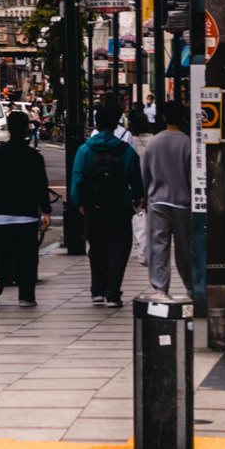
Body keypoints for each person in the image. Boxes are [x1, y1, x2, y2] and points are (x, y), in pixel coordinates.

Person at [71, 99, 144, 308]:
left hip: (93, 208)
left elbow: (77, 177)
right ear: (115, 126)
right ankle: (113, 293)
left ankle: (97, 291)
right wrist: (138, 199)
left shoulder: (85, 150)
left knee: (96, 248)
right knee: (119, 250)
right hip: (119, 208)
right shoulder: (126, 151)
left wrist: (80, 203)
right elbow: (135, 179)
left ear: (95, 125)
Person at [0, 110, 51, 309]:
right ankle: (26, 296)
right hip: (26, 215)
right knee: (27, 256)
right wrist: (46, 211)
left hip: (2, 214)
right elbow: (41, 186)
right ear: (26, 129)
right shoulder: (34, 157)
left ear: (8, 128)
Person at [141, 100, 192, 299]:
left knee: (158, 246)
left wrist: (144, 197)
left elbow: (145, 173)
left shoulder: (153, 142)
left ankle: (160, 288)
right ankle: (190, 286)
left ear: (162, 117)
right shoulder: (187, 142)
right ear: (183, 118)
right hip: (183, 202)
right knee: (185, 248)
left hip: (158, 201)